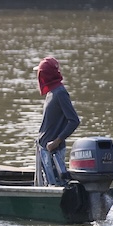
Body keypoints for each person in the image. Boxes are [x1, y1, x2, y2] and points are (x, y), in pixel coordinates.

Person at [34, 56, 80, 186]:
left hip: (53, 152)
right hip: (44, 150)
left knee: (57, 185)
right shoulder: (51, 92)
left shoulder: (60, 93)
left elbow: (74, 120)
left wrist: (56, 142)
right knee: (46, 185)